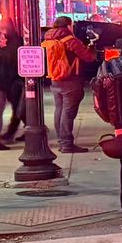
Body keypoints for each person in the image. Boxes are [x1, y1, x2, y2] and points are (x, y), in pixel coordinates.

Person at [43, 16, 95, 153]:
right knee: (68, 112)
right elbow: (88, 57)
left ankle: (61, 140)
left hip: (55, 79)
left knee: (59, 110)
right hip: (71, 80)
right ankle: (66, 143)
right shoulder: (71, 41)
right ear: (68, 26)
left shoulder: (48, 39)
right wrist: (91, 47)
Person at [0, 18, 22, 147]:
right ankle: (10, 133)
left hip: (12, 81)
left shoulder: (13, 43)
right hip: (7, 81)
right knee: (17, 108)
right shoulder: (12, 42)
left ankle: (10, 132)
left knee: (18, 108)